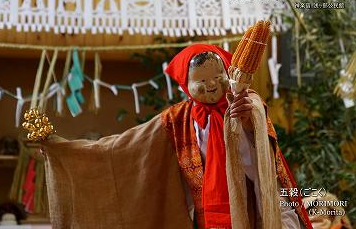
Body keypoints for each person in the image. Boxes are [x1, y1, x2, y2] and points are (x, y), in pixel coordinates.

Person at [40, 44, 312, 229]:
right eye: (200, 81)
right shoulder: (176, 120)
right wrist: (65, 151)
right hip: (204, 217)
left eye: (218, 76)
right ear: (185, 84)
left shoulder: (245, 102)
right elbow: (120, 148)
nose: (211, 85)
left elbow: (267, 156)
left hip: (255, 210)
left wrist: (249, 121)